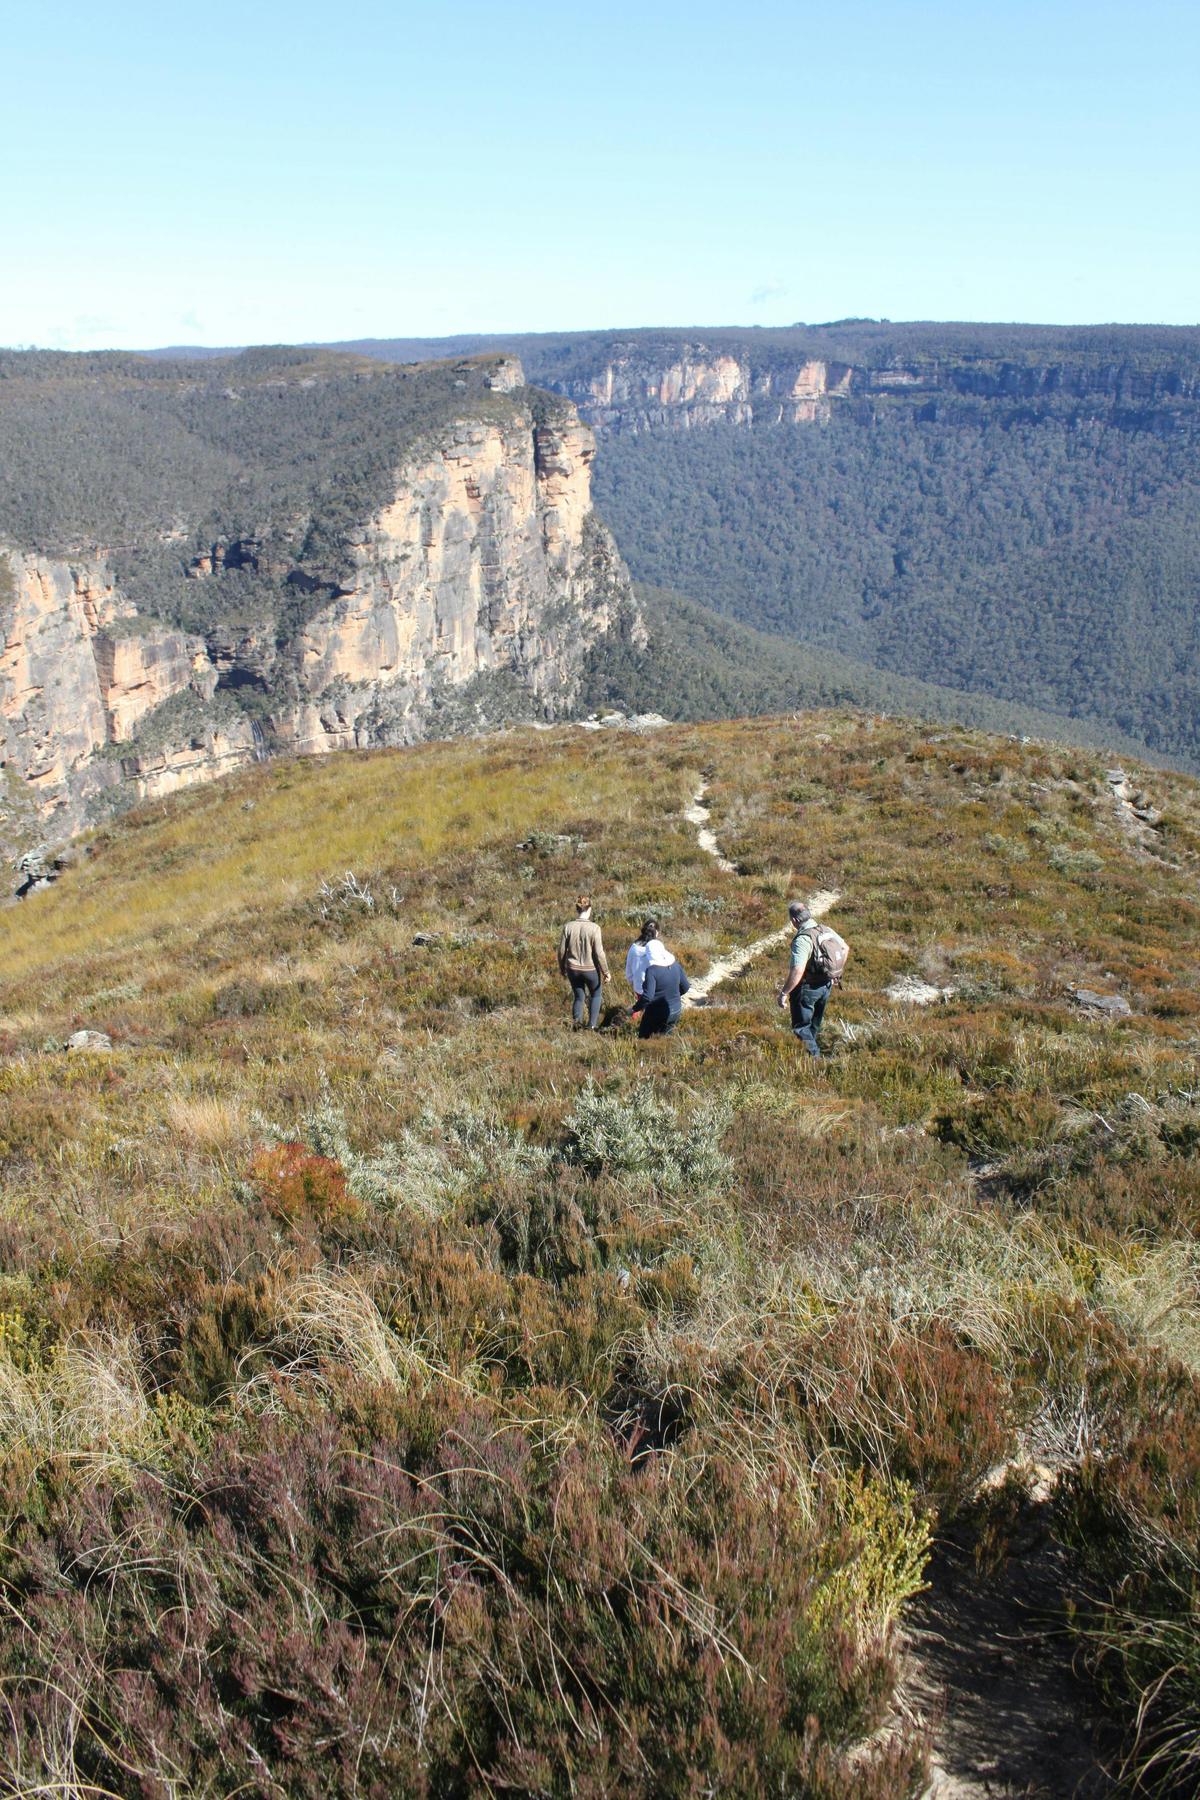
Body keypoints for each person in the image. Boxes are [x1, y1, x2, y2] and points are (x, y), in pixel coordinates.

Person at [778, 900, 831, 1058]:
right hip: (826, 985)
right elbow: (844, 948)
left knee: (801, 1028)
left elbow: (798, 970)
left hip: (807, 989)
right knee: (814, 1024)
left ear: (794, 921)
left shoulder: (802, 940)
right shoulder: (825, 930)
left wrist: (784, 992)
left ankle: (813, 1062)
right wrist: (834, 974)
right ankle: (813, 1055)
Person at [558, 893, 610, 1030]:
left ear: (577, 909)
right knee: (596, 995)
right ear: (590, 909)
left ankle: (577, 1026)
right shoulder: (595, 928)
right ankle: (591, 1026)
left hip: (572, 969)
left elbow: (561, 951)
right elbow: (599, 953)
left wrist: (562, 968)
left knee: (579, 997)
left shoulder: (568, 927)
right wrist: (606, 972)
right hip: (590, 969)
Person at [631, 938, 690, 1039]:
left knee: (644, 1040)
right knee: (666, 1039)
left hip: (656, 1012)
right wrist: (673, 996)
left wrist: (634, 1008)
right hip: (676, 1010)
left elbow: (648, 997)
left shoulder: (652, 971)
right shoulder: (676, 965)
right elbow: (686, 987)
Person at [624, 917, 660, 1003]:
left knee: (639, 1008)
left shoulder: (633, 948)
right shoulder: (657, 948)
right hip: (655, 989)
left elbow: (628, 971)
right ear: (656, 932)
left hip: (638, 987)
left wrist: (634, 983)